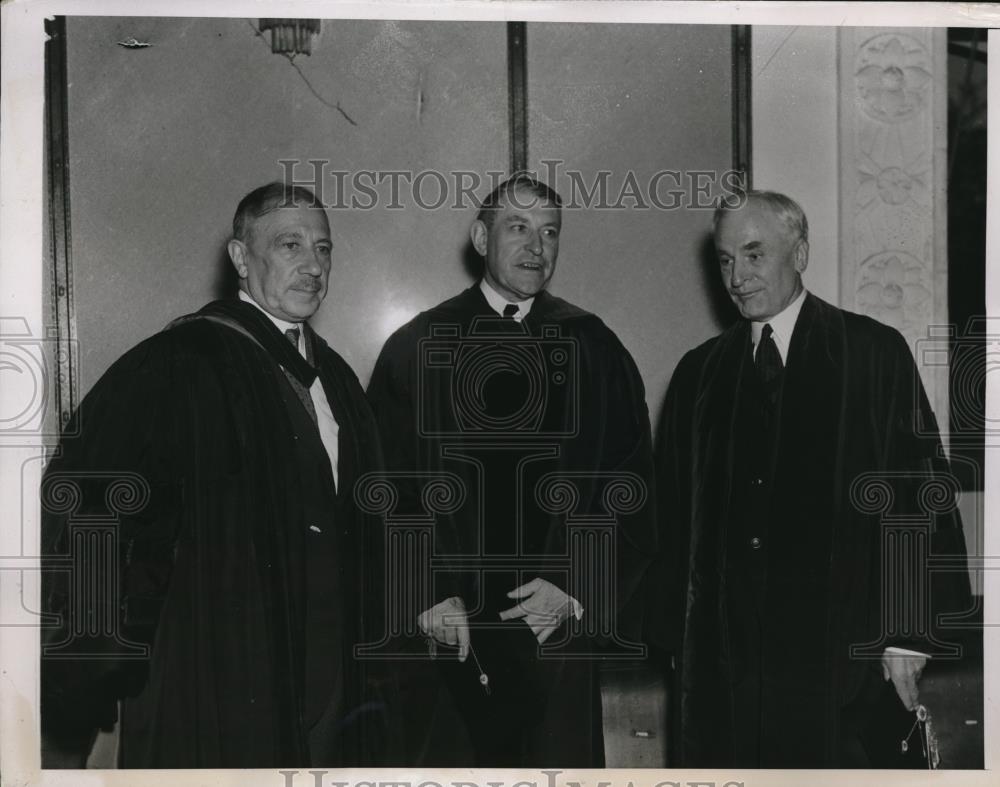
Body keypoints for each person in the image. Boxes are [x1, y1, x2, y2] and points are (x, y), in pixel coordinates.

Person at [40, 182, 385, 768]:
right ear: (240, 258)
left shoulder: (338, 380)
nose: (312, 265)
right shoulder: (179, 362)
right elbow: (82, 493)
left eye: (323, 248)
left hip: (326, 671)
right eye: (289, 245)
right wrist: (105, 642)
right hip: (215, 666)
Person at [655, 190, 971, 767]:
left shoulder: (871, 353)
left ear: (799, 252)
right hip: (727, 667)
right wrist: (681, 643)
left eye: (754, 255)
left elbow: (918, 495)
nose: (738, 277)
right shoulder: (700, 372)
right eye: (725, 260)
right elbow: (674, 521)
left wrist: (906, 635)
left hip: (842, 656)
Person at [366, 173, 657, 766]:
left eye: (550, 233)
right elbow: (382, 487)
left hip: (554, 628)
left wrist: (577, 586)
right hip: (451, 630)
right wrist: (425, 596)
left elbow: (632, 486)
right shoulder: (418, 346)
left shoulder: (594, 349)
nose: (537, 247)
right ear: (480, 237)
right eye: (518, 228)